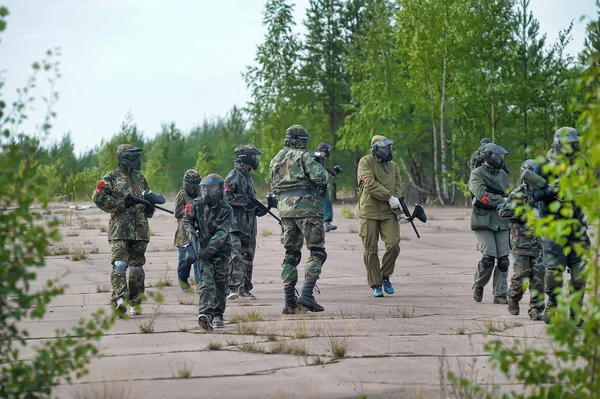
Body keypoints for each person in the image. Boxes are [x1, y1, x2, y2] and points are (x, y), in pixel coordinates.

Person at [531, 127, 589, 325]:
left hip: (577, 226)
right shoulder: (544, 165)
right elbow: (534, 195)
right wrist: (551, 191)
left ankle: (575, 313)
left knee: (580, 273)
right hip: (553, 225)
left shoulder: (582, 164)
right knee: (555, 271)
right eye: (571, 143)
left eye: (576, 143)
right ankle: (553, 304)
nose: (575, 146)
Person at [269, 125, 328, 314]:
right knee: (317, 251)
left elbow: (274, 186)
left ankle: (289, 301)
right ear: (302, 140)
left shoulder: (277, 159)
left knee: (291, 254)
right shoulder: (303, 156)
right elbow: (320, 176)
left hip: (285, 209)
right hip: (307, 207)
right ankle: (307, 294)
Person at [92, 144, 155, 316]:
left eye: (137, 156)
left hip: (140, 231)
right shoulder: (111, 177)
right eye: (133, 156)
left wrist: (150, 206)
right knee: (119, 265)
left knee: (136, 269)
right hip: (120, 230)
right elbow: (98, 197)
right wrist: (121, 203)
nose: (137, 160)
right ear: (123, 158)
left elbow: (148, 199)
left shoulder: (140, 178)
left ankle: (135, 301)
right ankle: (119, 299)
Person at [183, 174, 233, 332]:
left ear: (219, 189)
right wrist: (191, 233)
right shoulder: (197, 204)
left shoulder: (226, 209)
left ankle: (218, 315)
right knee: (206, 284)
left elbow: (221, 233)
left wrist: (208, 251)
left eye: (211, 189)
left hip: (221, 252)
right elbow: (187, 219)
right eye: (204, 188)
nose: (207, 192)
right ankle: (205, 314)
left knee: (220, 284)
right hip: (203, 251)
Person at [356, 135, 403, 297]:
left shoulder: (394, 166)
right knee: (371, 250)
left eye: (388, 147)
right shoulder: (365, 161)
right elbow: (369, 184)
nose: (386, 150)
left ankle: (385, 275)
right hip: (369, 211)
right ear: (375, 148)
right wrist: (389, 197)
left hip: (389, 212)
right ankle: (375, 284)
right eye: (383, 148)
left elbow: (398, 189)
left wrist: (398, 207)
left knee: (394, 244)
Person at [498, 160, 545, 320]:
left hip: (540, 244)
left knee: (539, 279)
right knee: (521, 277)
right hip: (521, 243)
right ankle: (513, 297)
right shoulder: (518, 193)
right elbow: (503, 212)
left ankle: (536, 310)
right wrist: (525, 215)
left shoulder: (544, 193)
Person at [468, 143, 510, 305]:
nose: (500, 159)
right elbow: (481, 195)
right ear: (487, 157)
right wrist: (503, 201)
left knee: (504, 260)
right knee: (488, 258)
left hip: (501, 220)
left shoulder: (503, 175)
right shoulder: (477, 173)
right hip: (483, 219)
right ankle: (479, 284)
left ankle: (500, 294)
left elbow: (508, 195)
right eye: (496, 156)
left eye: (501, 157)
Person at [224, 145, 266, 301]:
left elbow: (251, 199)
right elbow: (225, 198)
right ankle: (232, 288)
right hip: (234, 225)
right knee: (235, 257)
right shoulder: (232, 176)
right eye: (253, 156)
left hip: (249, 225)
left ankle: (245, 289)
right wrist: (244, 201)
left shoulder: (248, 176)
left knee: (248, 258)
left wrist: (258, 208)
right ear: (246, 157)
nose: (255, 160)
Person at [174, 169, 201, 291]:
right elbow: (177, 212)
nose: (192, 187)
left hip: (199, 231)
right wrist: (187, 210)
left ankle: (199, 282)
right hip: (184, 234)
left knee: (198, 258)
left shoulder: (202, 193)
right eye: (190, 184)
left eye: (195, 184)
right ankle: (183, 279)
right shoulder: (181, 195)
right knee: (185, 260)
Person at [314, 142, 337, 232]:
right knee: (326, 202)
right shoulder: (316, 157)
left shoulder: (320, 159)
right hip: (317, 186)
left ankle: (322, 224)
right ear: (324, 150)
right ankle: (326, 223)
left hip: (318, 185)